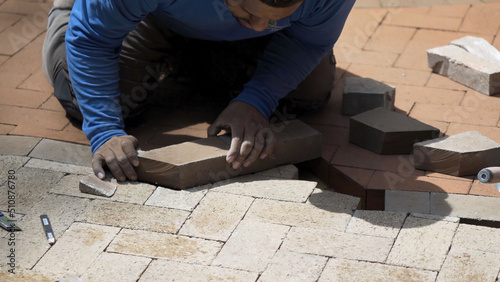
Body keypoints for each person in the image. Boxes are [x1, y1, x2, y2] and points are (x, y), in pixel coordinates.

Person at [42, 0, 355, 182]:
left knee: (308, 92)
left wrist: (256, 100)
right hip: (152, 14)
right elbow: (92, 39)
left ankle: (197, 50)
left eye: (272, 17)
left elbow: (308, 42)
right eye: (248, 9)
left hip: (205, 16)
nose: (259, 26)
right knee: (88, 98)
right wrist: (104, 130)